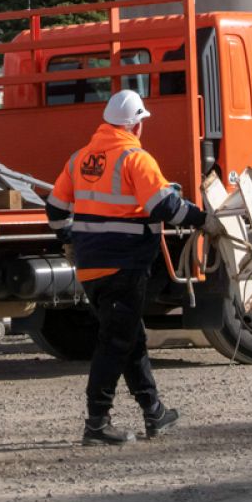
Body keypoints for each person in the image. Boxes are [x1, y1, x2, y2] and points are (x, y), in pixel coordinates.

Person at [46, 89, 206, 446]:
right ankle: (97, 424)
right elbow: (166, 208)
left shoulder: (80, 158)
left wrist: (69, 238)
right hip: (125, 265)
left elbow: (55, 209)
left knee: (129, 336)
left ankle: (154, 412)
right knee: (116, 342)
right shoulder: (136, 158)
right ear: (135, 124)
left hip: (90, 268)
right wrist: (203, 218)